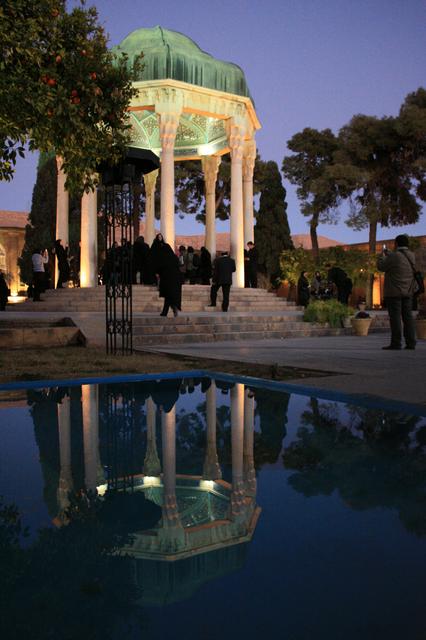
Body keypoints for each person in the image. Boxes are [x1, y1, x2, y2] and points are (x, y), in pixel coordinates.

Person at [377, 234, 417, 350]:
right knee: (408, 317)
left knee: (395, 318)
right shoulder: (411, 255)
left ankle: (396, 343)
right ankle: (411, 343)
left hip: (394, 292)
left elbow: (381, 266)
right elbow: (399, 262)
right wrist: (391, 255)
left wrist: (381, 256)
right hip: (408, 291)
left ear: (396, 244)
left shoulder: (394, 256)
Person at [156, 242, 182, 317]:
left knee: (168, 296)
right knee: (170, 296)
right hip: (176, 280)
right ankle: (170, 309)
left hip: (167, 280)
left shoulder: (164, 258)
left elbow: (160, 268)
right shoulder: (174, 257)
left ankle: (167, 311)